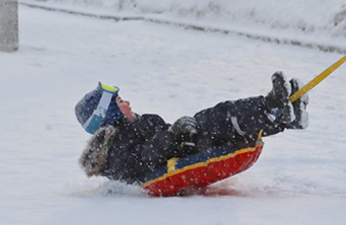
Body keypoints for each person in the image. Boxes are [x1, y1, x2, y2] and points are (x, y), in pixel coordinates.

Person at [76, 72, 308, 184]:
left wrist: (177, 131)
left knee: (218, 117)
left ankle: (282, 116)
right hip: (179, 154)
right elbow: (143, 159)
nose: (127, 103)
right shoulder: (114, 150)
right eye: (120, 102)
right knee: (214, 121)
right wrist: (173, 134)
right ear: (110, 116)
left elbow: (160, 137)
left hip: (182, 145)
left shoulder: (141, 122)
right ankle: (271, 110)